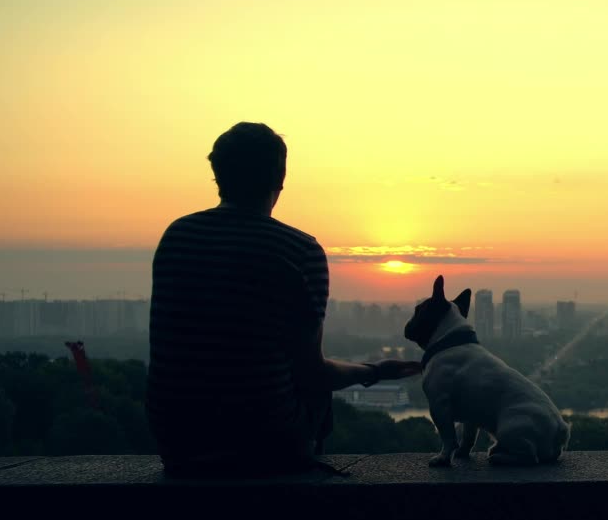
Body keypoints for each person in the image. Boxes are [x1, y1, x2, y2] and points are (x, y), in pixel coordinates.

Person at [147, 122, 420, 476]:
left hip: (178, 440)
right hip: (266, 443)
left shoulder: (178, 236)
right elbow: (312, 373)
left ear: (217, 176)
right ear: (280, 180)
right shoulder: (299, 250)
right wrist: (373, 372)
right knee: (314, 390)